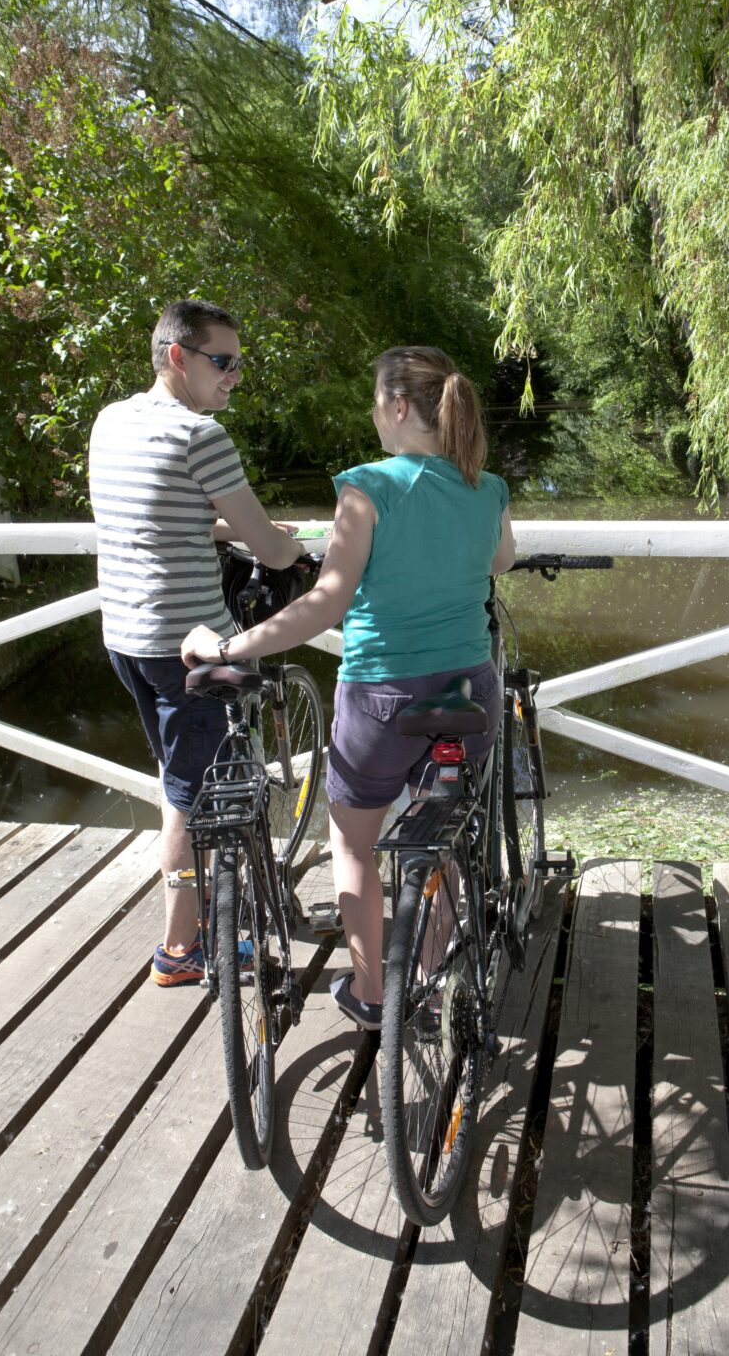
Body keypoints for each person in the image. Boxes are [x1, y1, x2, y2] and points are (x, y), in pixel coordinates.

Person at [181, 345, 515, 1029]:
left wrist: (225, 645)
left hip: (381, 698)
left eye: (375, 401)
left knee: (356, 845)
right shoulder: (487, 485)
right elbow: (501, 559)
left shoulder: (367, 487)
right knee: (446, 835)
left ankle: (372, 993)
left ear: (397, 406)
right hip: (467, 691)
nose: (374, 414)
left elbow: (325, 604)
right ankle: (428, 978)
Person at [89, 298, 306, 987]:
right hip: (184, 646)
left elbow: (151, 512)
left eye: (240, 363)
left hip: (124, 636)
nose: (235, 376)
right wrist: (290, 545)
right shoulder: (199, 435)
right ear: (177, 356)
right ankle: (180, 950)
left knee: (176, 779)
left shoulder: (111, 422)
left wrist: (212, 529)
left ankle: (198, 914)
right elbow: (271, 548)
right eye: (224, 361)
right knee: (190, 794)